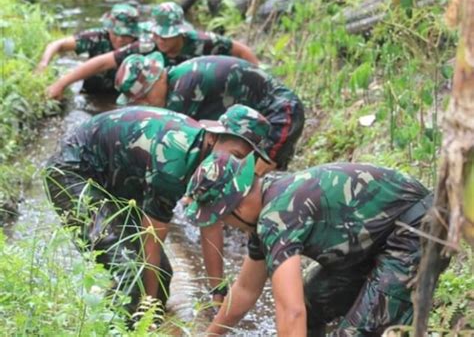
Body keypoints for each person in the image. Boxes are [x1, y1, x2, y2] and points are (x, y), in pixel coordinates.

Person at [44, 105, 272, 313]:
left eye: (243, 159)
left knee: (161, 278)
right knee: (131, 273)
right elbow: (151, 238)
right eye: (235, 155)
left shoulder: (213, 164)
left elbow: (210, 222)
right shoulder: (173, 164)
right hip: (73, 172)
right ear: (213, 136)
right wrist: (147, 310)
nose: (235, 164)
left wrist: (217, 291)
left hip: (117, 183)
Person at [181, 152, 434, 336]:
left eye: (223, 218)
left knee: (354, 333)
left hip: (415, 230)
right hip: (371, 245)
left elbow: (292, 313)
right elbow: (246, 289)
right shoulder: (268, 206)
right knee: (312, 302)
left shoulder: (276, 217)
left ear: (238, 205)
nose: (227, 225)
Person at [115, 53, 305, 172]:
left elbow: (183, 148)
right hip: (260, 120)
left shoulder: (183, 89)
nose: (145, 104)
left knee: (254, 176)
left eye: (144, 97)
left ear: (156, 80)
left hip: (281, 115)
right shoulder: (177, 80)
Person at [47, 2, 258, 99]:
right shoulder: (147, 44)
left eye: (168, 36)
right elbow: (103, 62)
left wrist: (257, 75)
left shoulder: (203, 41)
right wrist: (61, 83)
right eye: (158, 35)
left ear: (181, 33)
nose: (162, 41)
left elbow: (241, 50)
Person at [37, 3, 140, 93]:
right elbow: (57, 44)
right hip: (92, 94)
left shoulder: (140, 46)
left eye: (126, 35)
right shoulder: (97, 37)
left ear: (135, 33)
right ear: (109, 29)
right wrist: (43, 63)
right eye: (115, 33)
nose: (119, 39)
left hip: (125, 97)